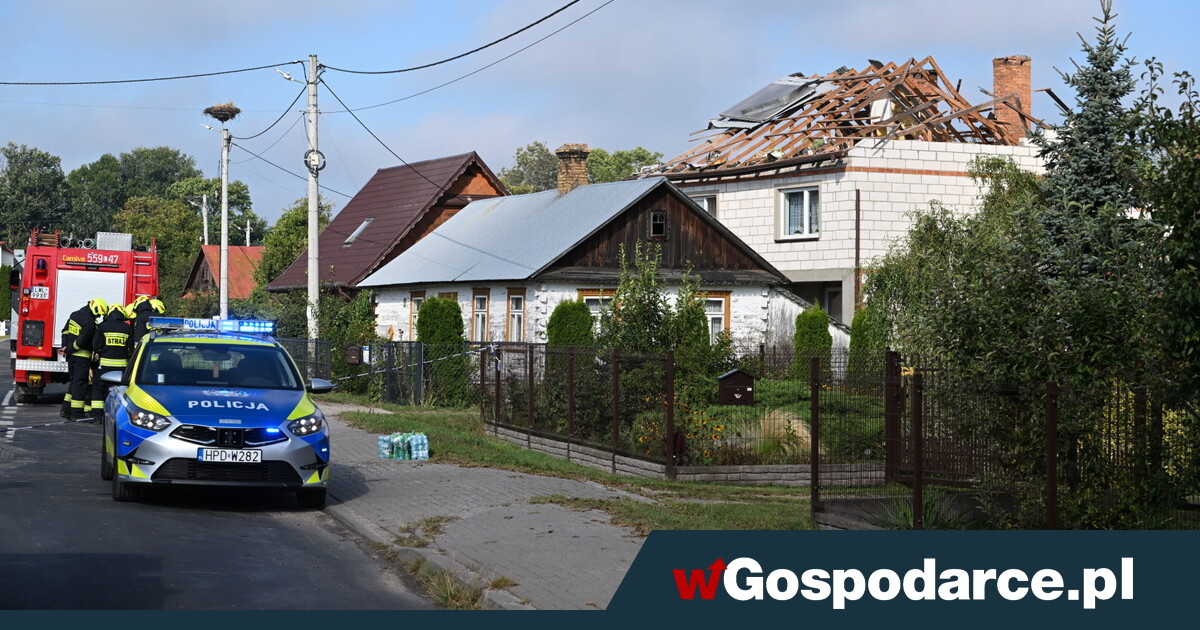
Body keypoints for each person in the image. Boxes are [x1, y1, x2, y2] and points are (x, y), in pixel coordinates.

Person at [60, 297, 106, 420]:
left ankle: (66, 409)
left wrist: (65, 346)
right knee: (80, 384)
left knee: (74, 382)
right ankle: (77, 413)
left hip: (71, 357)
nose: (98, 317)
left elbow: (65, 331)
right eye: (98, 315)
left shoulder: (74, 315)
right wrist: (71, 348)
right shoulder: (89, 321)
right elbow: (83, 339)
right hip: (81, 357)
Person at [89, 303, 134, 421]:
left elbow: (96, 345)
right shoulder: (128, 328)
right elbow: (131, 349)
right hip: (121, 368)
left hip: (104, 367)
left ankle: (97, 416)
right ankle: (120, 417)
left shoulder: (102, 326)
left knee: (98, 390)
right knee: (120, 393)